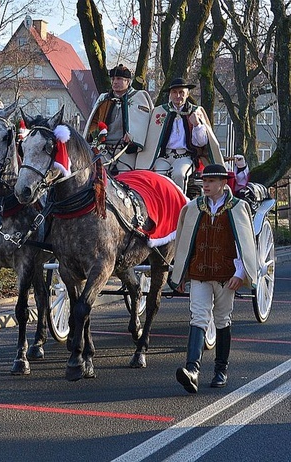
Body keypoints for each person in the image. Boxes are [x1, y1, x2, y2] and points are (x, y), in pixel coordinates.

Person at [170, 164, 257, 394]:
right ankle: (192, 371)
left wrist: (240, 273)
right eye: (204, 182)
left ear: (223, 183)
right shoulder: (192, 208)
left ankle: (221, 370)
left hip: (225, 276)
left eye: (210, 182)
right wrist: (181, 274)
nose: (205, 185)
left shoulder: (239, 208)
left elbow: (244, 244)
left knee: (221, 319)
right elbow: (184, 243)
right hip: (199, 273)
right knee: (198, 317)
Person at [137, 78, 224, 191]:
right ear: (170, 94)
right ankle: (160, 205)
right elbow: (151, 137)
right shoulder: (160, 112)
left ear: (187, 94)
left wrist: (197, 125)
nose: (178, 95)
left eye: (181, 92)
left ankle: (180, 205)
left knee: (179, 174)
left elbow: (202, 142)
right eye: (174, 92)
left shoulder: (196, 111)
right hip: (164, 156)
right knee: (157, 175)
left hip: (185, 156)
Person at [83, 64, 153, 173]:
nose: (115, 82)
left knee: (126, 176)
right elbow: (94, 121)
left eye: (119, 79)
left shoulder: (139, 97)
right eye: (113, 79)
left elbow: (145, 123)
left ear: (128, 81)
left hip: (126, 149)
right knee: (94, 174)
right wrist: (95, 135)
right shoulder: (104, 98)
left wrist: (133, 135)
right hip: (104, 148)